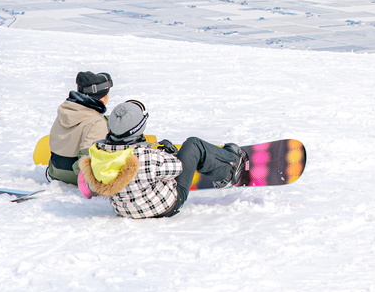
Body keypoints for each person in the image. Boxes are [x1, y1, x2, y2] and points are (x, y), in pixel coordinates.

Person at [77, 100, 248, 219]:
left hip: (125, 210)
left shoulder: (97, 152)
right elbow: (176, 168)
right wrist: (166, 153)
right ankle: (231, 169)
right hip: (165, 207)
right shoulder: (145, 156)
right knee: (194, 145)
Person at [46, 70, 113, 184]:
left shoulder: (65, 112)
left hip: (55, 171)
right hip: (77, 177)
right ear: (104, 96)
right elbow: (87, 157)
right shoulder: (96, 122)